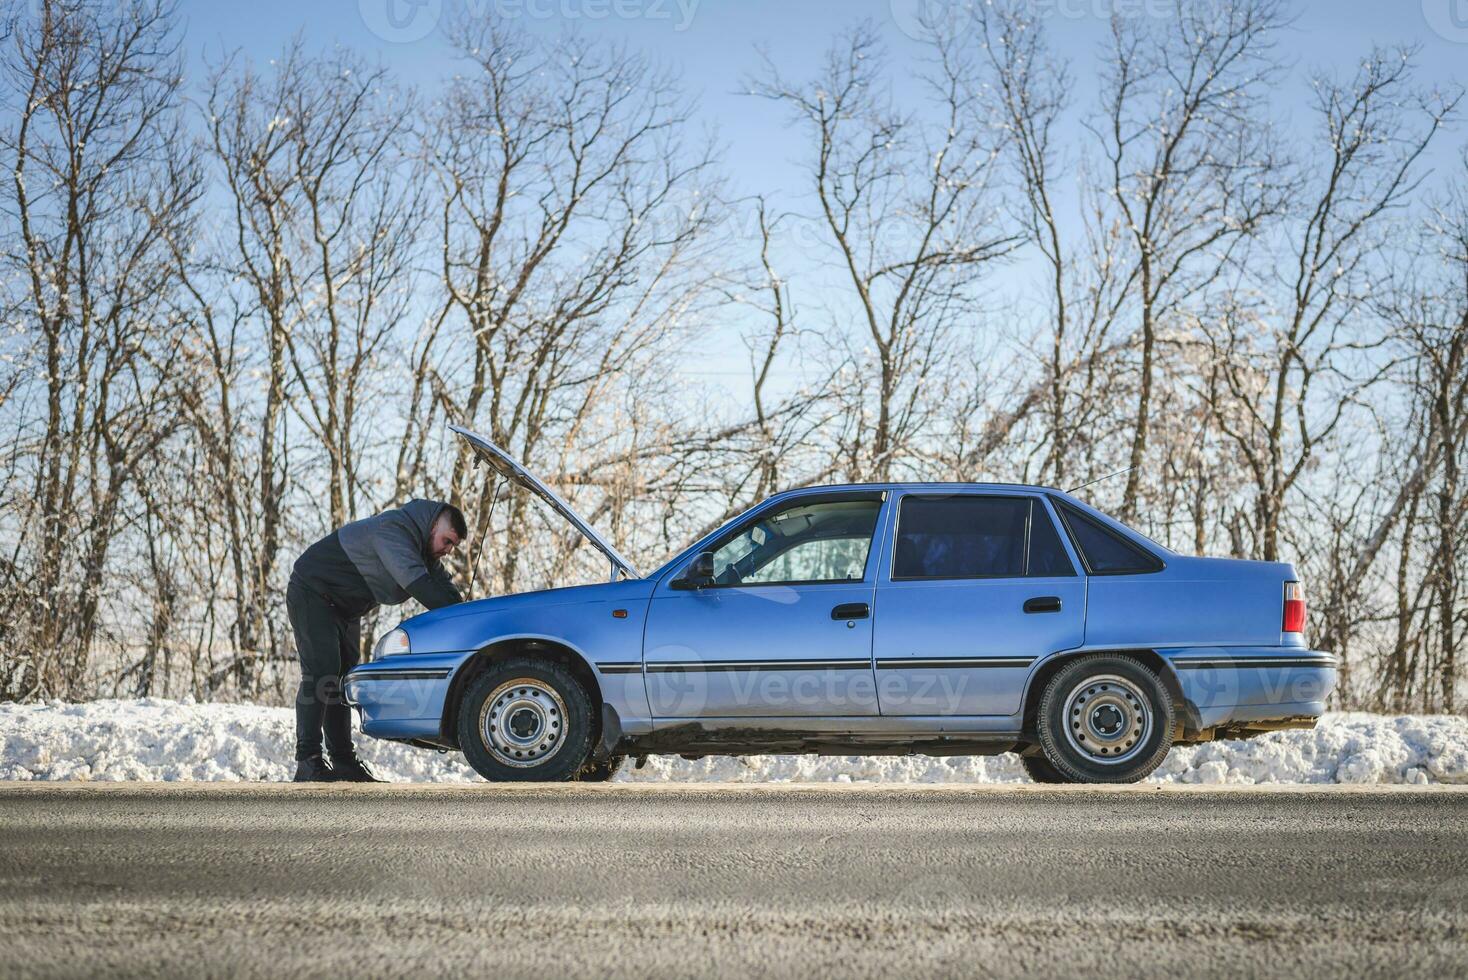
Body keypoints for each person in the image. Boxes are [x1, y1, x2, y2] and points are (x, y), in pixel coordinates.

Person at [287, 499, 467, 782]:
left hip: (345, 609)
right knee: (322, 672)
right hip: (312, 593)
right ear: (432, 526)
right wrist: (460, 615)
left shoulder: (426, 553)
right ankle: (307, 761)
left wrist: (471, 615)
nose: (448, 550)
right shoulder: (392, 531)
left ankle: (343, 761)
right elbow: (422, 587)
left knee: (342, 680)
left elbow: (447, 595)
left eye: (453, 545)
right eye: (447, 541)